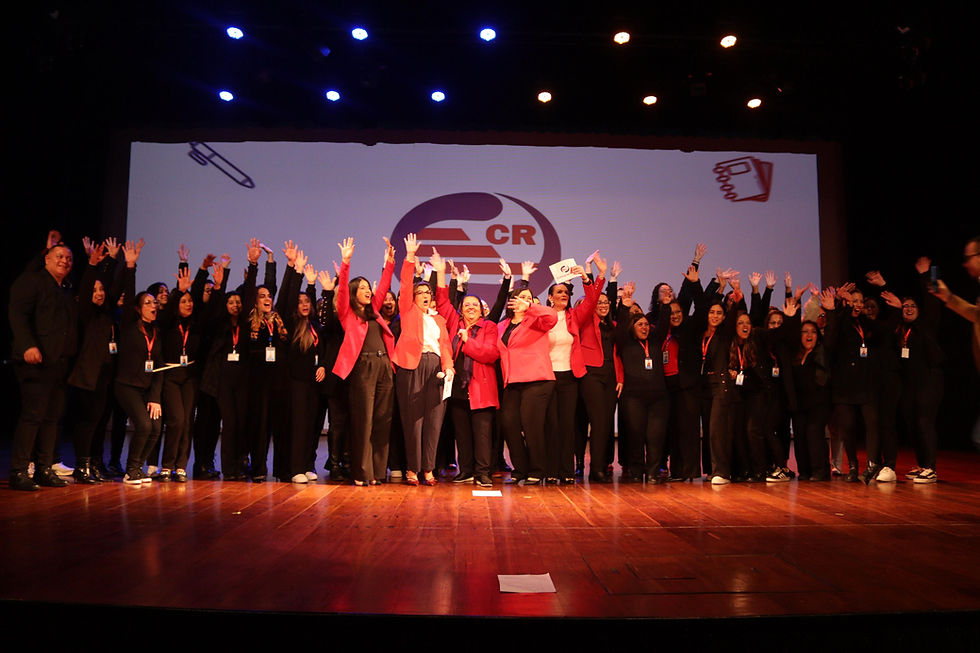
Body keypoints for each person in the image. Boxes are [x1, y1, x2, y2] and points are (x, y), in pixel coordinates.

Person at [8, 231, 78, 491]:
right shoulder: (34, 281)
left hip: (59, 364)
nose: (65, 261)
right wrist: (28, 345)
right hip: (34, 362)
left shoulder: (65, 290)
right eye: (59, 256)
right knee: (33, 416)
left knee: (52, 417)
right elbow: (17, 314)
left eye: (69, 258)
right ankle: (18, 471)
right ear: (46, 259)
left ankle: (45, 468)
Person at [433, 248, 500, 487]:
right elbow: (442, 302)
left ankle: (483, 473)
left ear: (482, 311)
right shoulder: (454, 323)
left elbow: (490, 354)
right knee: (462, 434)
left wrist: (467, 341)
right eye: (467, 304)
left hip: (481, 389)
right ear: (461, 309)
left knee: (482, 435)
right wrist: (441, 273)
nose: (471, 307)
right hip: (458, 388)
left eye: (475, 305)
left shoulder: (489, 327)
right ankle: (467, 470)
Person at [333, 236, 396, 486]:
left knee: (382, 419)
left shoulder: (375, 311)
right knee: (364, 420)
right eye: (362, 288)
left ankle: (378, 472)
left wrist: (389, 263)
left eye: (369, 288)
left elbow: (383, 287)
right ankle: (361, 472)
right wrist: (346, 262)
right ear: (353, 293)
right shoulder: (347, 314)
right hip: (363, 368)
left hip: (384, 367)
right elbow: (341, 294)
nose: (369, 291)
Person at [391, 234, 454, 486]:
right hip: (412, 366)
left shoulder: (439, 319)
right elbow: (405, 286)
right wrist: (409, 257)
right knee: (413, 420)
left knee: (434, 421)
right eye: (421, 292)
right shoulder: (408, 312)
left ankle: (428, 469)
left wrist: (448, 368)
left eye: (428, 292)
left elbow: (446, 346)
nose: (425, 294)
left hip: (436, 369)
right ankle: (412, 468)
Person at [497, 285, 558, 485]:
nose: (525, 300)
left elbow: (552, 315)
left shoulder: (537, 320)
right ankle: (520, 469)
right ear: (512, 300)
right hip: (512, 382)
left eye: (529, 298)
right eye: (521, 297)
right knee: (510, 425)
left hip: (537, 380)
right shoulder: (503, 325)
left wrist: (530, 307)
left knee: (532, 427)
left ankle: (537, 469)